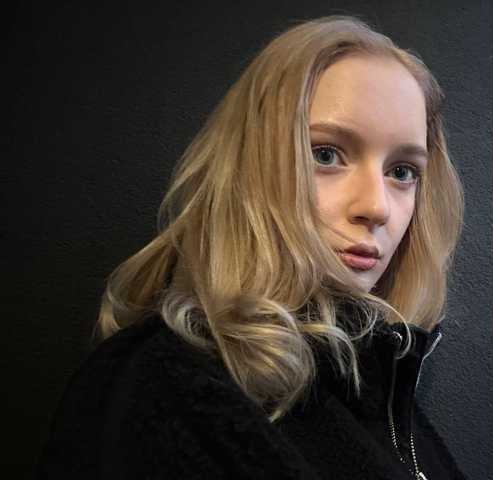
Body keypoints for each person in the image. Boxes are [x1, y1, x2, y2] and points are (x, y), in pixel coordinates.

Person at [37, 14, 466, 480]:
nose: (377, 207)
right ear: (251, 167)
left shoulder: (390, 405)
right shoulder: (163, 389)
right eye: (325, 155)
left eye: (402, 172)